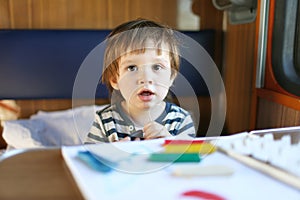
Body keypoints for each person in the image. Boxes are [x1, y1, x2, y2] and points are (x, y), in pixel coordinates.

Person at [85, 18, 195, 143]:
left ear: (171, 77)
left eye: (157, 67)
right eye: (132, 68)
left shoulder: (181, 120)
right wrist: (113, 154)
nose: (146, 78)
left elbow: (189, 160)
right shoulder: (104, 122)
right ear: (115, 80)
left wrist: (170, 143)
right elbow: (89, 159)